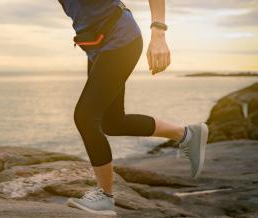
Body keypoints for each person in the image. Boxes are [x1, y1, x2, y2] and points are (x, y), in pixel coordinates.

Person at [58, 0, 209, 216]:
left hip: (120, 40)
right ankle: (187, 134)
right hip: (98, 46)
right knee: (113, 122)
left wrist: (159, 35)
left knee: (85, 116)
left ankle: (105, 197)